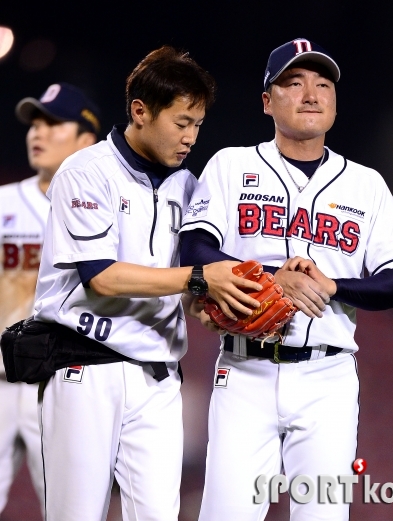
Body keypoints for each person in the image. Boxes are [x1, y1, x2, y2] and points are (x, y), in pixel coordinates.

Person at [179, 38, 393, 521]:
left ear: (334, 100)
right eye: (294, 82)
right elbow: (196, 250)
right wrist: (273, 280)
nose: (311, 93)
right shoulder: (232, 165)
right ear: (268, 102)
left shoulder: (366, 184)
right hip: (244, 372)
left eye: (322, 83)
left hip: (327, 380)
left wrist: (333, 286)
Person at [32, 46, 262, 521]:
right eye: (182, 122)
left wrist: (217, 307)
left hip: (158, 378)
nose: (192, 137)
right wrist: (200, 278)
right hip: (84, 367)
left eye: (198, 124)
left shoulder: (186, 186)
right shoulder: (86, 171)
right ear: (140, 111)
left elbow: (184, 289)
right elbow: (102, 277)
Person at [0, 82, 100, 519]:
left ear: (87, 140)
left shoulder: (105, 212)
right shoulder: (3, 202)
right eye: (33, 122)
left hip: (64, 385)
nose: (36, 132)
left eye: (53, 122)